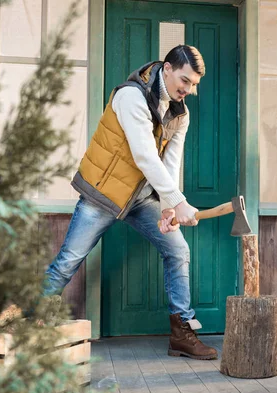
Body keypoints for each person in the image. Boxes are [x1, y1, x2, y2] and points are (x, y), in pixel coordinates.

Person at [43, 45, 218, 360]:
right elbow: (145, 156)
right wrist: (179, 202)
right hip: (104, 192)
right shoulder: (130, 96)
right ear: (167, 68)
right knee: (68, 261)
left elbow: (170, 163)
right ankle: (30, 323)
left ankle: (181, 333)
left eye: (193, 85)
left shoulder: (181, 113)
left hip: (140, 197)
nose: (188, 90)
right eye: (185, 80)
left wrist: (168, 206)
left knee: (178, 250)